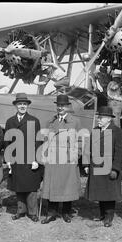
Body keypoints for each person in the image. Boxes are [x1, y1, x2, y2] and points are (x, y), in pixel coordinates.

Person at [40, 94, 82, 224]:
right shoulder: (50, 121)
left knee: (67, 185)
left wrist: (76, 155)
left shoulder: (75, 121)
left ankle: (66, 212)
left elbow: (80, 141)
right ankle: (51, 213)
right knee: (52, 185)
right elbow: (45, 140)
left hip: (67, 159)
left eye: (63, 105)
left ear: (68, 107)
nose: (60, 108)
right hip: (53, 159)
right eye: (58, 105)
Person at [84, 104, 122, 227]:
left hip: (109, 167)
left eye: (101, 117)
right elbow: (89, 148)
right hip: (96, 166)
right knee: (100, 192)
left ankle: (109, 217)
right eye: (98, 117)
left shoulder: (117, 131)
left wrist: (115, 168)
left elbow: (120, 152)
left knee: (109, 193)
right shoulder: (96, 130)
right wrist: (86, 164)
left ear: (109, 119)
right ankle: (102, 214)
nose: (99, 120)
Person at [4, 93, 43, 222]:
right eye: (20, 104)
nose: (22, 106)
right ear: (15, 105)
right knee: (18, 186)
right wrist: (8, 159)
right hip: (16, 159)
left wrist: (37, 160)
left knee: (31, 187)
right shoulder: (10, 121)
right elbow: (7, 142)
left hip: (30, 158)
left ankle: (32, 212)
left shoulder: (34, 120)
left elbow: (38, 141)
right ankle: (21, 211)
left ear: (27, 106)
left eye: (24, 104)